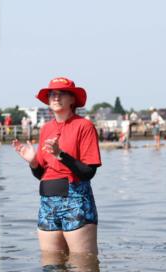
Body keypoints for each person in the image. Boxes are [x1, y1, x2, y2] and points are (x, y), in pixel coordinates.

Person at [12, 76, 102, 257]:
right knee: (51, 270)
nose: (55, 97)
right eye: (52, 94)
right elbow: (42, 174)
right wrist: (33, 162)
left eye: (62, 93)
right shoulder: (46, 129)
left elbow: (88, 172)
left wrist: (61, 155)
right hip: (47, 201)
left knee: (83, 267)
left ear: (73, 99)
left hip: (75, 200)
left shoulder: (84, 126)